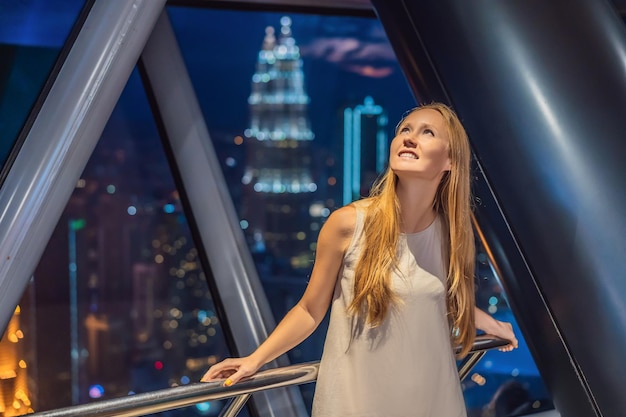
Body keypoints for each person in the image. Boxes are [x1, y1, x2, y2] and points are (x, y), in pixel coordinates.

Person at [201, 103, 518, 416]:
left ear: (449, 161)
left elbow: (442, 297)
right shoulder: (348, 224)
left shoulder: (449, 232)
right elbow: (310, 310)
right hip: (357, 403)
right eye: (405, 129)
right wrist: (255, 359)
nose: (409, 137)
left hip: (433, 398)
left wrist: (492, 324)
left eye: (427, 132)